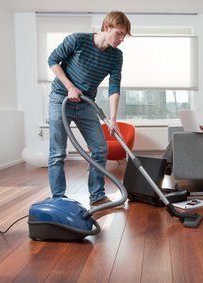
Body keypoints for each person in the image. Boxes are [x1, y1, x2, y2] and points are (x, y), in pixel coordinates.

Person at [47, 11, 131, 206]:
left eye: (124, 36)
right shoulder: (77, 40)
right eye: (119, 33)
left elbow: (114, 86)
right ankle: (58, 199)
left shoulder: (116, 56)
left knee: (100, 149)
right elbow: (52, 60)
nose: (121, 39)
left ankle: (97, 196)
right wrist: (69, 87)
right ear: (106, 27)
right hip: (61, 99)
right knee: (58, 152)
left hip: (86, 104)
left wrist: (113, 119)